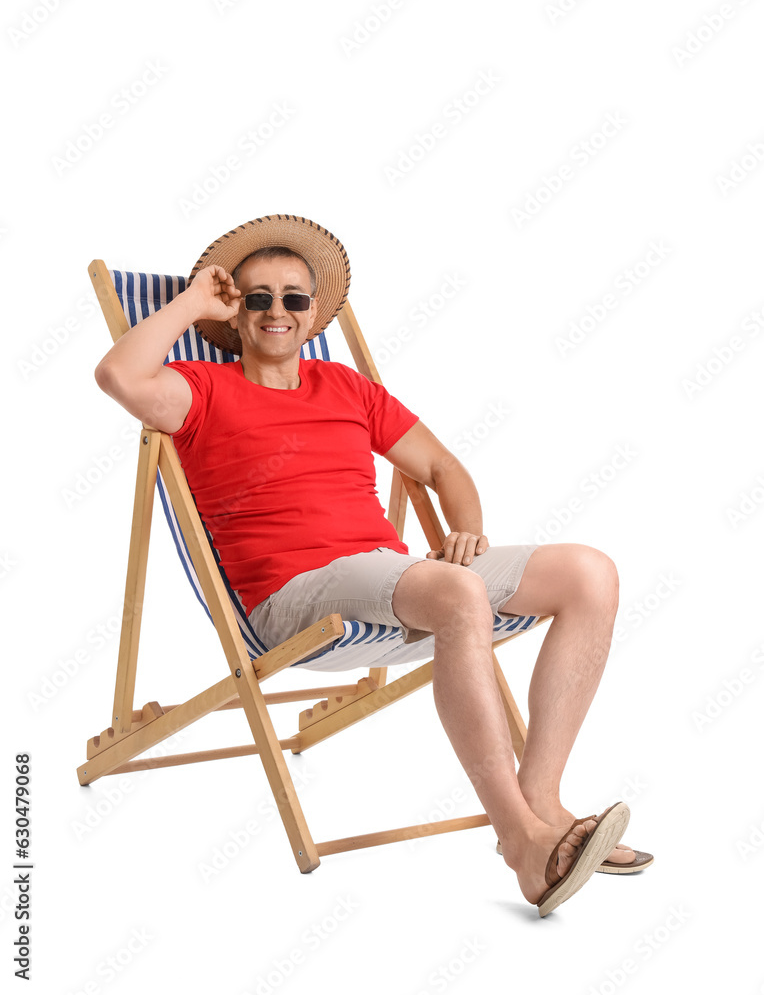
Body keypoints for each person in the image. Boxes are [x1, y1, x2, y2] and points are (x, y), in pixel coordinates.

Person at [94, 214, 651, 916]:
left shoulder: (347, 387)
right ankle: (520, 841)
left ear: (315, 314)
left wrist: (468, 531)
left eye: (294, 298)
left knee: (589, 573)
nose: (276, 311)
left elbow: (443, 466)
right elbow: (116, 373)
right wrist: (193, 304)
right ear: (234, 313)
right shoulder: (199, 389)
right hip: (295, 595)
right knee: (456, 597)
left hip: (392, 579)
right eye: (257, 297)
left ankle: (541, 802)